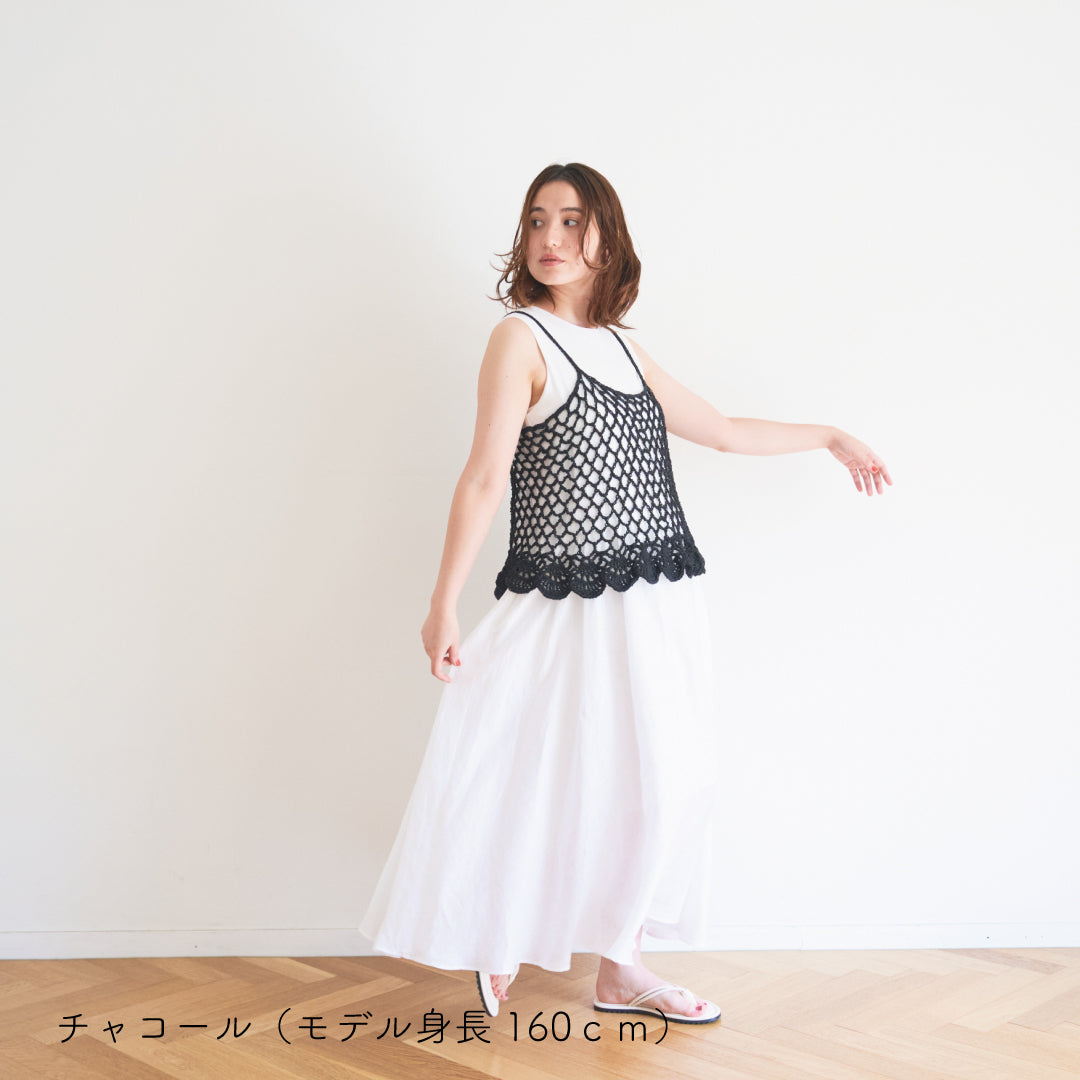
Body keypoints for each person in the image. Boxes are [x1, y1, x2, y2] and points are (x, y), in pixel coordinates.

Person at [359, 162, 892, 1025]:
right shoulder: (519, 339)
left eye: (572, 220)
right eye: (538, 220)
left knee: (658, 786)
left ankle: (622, 966)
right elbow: (485, 477)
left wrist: (829, 435)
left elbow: (722, 430)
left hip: (657, 601)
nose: (550, 237)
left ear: (607, 237)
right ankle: (496, 929)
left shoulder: (624, 347)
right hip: (564, 603)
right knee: (525, 767)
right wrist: (442, 603)